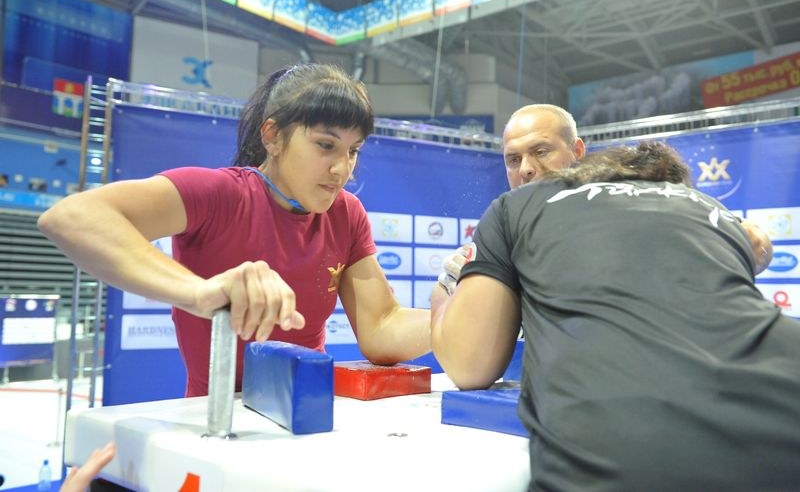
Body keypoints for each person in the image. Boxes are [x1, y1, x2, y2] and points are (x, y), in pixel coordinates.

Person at [38, 64, 430, 397]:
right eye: (325, 145)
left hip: (307, 417)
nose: (342, 169)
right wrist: (199, 292)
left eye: (353, 150)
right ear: (272, 137)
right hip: (214, 421)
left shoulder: (347, 213)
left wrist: (456, 314)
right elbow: (71, 217)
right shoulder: (221, 194)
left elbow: (381, 329)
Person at [431, 141, 800, 490]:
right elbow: (758, 246)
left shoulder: (517, 205)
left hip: (621, 453)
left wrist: (445, 292)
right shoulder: (710, 208)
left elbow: (469, 366)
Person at [438, 104, 771, 295]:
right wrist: (470, 283)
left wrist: (747, 238)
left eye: (541, 151)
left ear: (577, 151)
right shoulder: (500, 233)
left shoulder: (615, 203)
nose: (525, 168)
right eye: (513, 159)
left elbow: (755, 243)